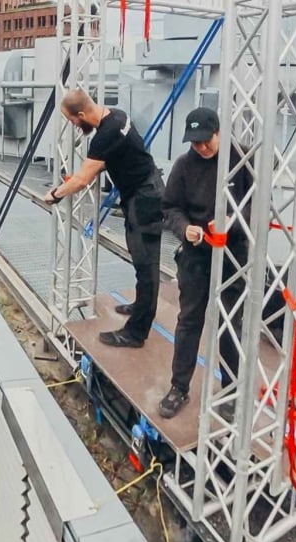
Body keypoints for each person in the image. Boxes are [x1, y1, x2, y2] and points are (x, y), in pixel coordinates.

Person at [43, 89, 164, 348]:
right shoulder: (117, 117)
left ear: (82, 114)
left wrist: (55, 194)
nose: (74, 125)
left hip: (145, 197)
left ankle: (136, 333)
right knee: (140, 259)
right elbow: (104, 162)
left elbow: (83, 178)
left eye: (73, 120)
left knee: (146, 264)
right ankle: (141, 305)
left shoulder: (105, 136)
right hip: (141, 193)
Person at [157, 107, 253, 418]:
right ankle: (178, 387)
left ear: (219, 133)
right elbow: (170, 207)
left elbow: (258, 205)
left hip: (233, 255)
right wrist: (185, 228)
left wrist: (233, 223)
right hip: (196, 255)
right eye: (195, 142)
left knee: (230, 324)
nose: (200, 147)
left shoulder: (243, 161)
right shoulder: (184, 165)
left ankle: (232, 389)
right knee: (189, 321)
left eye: (205, 141)